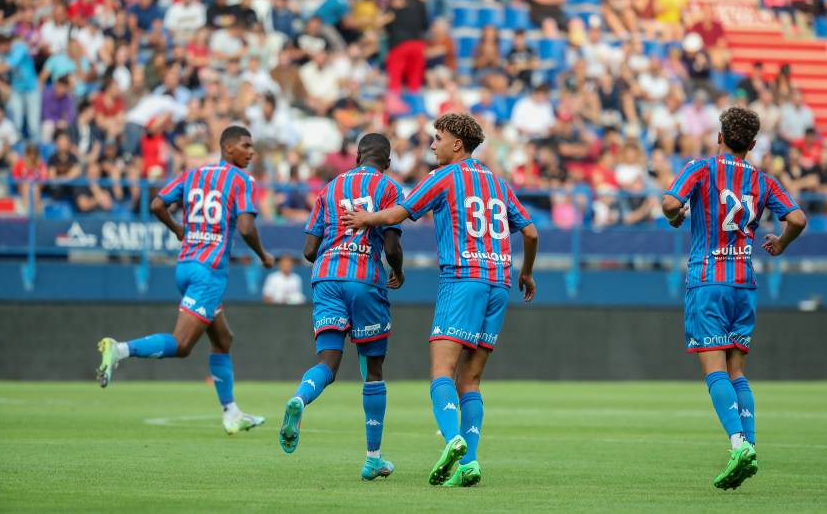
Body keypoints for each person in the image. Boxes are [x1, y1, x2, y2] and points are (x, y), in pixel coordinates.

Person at [341, 114, 539, 488]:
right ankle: (471, 463)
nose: (432, 145)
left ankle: (453, 441)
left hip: (463, 279)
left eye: (437, 138)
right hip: (499, 283)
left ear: (457, 145)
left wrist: (367, 219)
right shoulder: (499, 183)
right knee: (472, 380)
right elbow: (530, 232)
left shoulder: (444, 178)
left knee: (441, 373)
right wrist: (525, 272)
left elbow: (400, 213)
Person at [95, 126, 275, 435]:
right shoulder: (243, 180)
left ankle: (231, 412)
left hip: (186, 265)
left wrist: (178, 229)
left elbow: (156, 205)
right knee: (181, 345)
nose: (251, 152)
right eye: (246, 145)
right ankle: (119, 349)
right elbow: (246, 228)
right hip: (209, 273)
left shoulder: (194, 174)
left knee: (223, 339)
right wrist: (263, 255)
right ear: (228, 148)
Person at [662, 107, 807, 490]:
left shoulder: (702, 168)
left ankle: (738, 444)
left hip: (708, 280)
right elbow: (797, 219)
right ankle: (750, 445)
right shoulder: (763, 180)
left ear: (720, 136)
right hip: (744, 282)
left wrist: (676, 218)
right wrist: (781, 242)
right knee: (738, 370)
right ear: (754, 144)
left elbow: (670, 204)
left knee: (714, 370)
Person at [278, 133, 405, 482]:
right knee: (373, 371)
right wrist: (397, 270)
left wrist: (335, 253)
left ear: (357, 157)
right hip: (364, 279)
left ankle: (300, 400)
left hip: (326, 278)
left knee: (328, 363)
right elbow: (392, 245)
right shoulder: (390, 188)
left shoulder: (330, 187)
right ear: (388, 162)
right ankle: (372, 458)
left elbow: (307, 250)